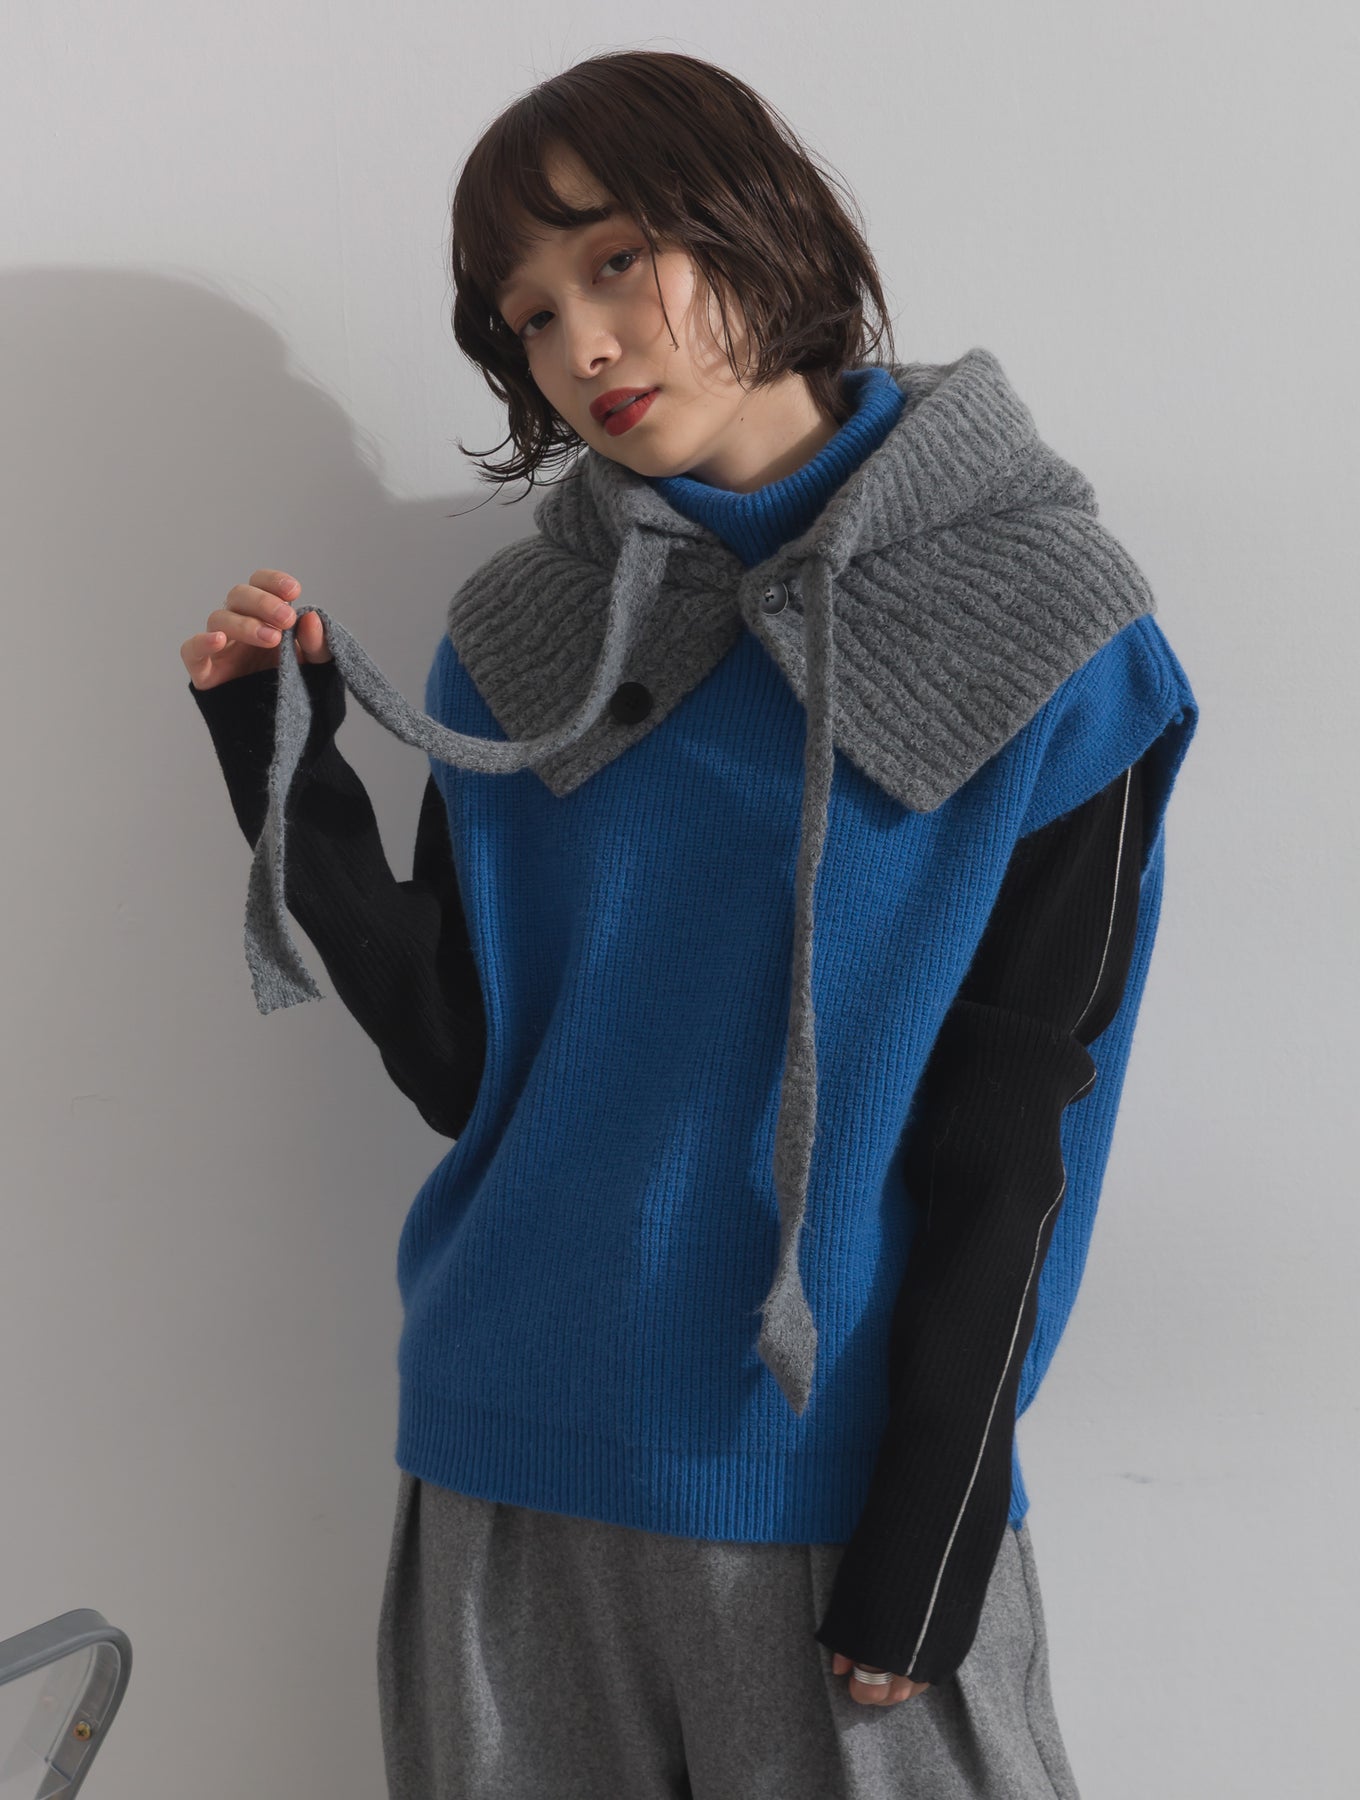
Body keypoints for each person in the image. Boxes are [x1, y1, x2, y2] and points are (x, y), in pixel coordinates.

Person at [180, 49, 1198, 1800]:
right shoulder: (527, 630)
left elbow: (1023, 1115)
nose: (579, 343)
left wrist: (938, 1515)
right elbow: (465, 1063)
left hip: (829, 1492)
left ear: (756, 226)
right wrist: (285, 769)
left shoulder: (1046, 626)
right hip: (507, 1465)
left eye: (616, 259)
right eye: (527, 314)